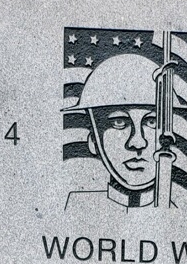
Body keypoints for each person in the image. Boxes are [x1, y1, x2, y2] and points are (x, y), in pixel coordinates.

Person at [65, 54, 165, 211]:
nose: (138, 142)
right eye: (120, 122)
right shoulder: (76, 206)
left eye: (151, 122)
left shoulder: (181, 216)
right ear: (93, 141)